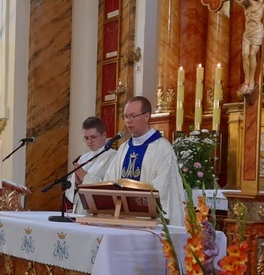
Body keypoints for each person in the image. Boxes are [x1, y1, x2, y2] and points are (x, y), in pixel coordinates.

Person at [104, 96, 185, 226]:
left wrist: (138, 207)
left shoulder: (162, 148)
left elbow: (163, 187)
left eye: (132, 116)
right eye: (125, 116)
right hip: (121, 219)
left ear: (147, 116)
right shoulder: (124, 148)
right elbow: (110, 180)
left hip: (148, 222)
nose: (128, 121)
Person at [67, 116, 117, 214]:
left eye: (93, 137)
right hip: (79, 210)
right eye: (86, 138)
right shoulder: (83, 158)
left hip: (99, 213)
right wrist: (77, 183)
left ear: (104, 135)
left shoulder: (114, 157)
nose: (89, 141)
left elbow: (111, 187)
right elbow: (71, 191)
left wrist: (86, 178)